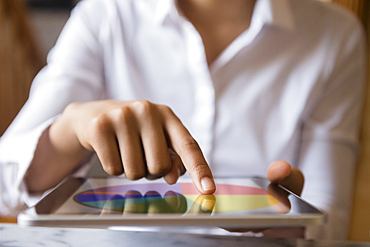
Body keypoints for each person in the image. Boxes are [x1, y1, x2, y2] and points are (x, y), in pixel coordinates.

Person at [0, 0, 366, 240]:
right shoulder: (106, 14)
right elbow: (4, 186)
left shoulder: (337, 36)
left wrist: (291, 229)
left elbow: (329, 219)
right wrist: (71, 128)